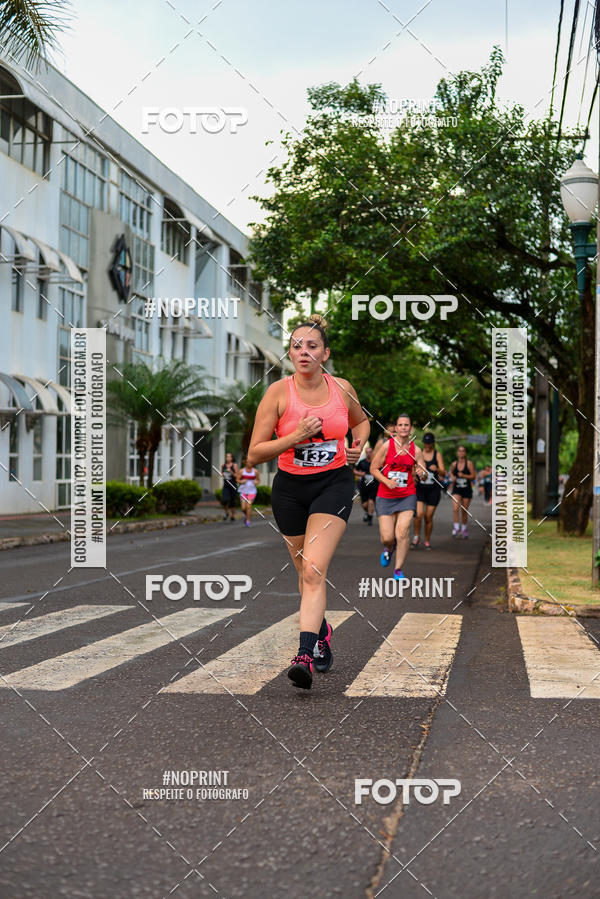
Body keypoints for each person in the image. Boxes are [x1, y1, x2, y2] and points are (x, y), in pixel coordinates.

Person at [247, 314, 370, 691]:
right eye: (297, 345)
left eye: (312, 345)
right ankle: (322, 630)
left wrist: (357, 445)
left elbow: (361, 422)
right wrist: (294, 436)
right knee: (304, 573)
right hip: (289, 490)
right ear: (290, 353)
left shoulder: (341, 388)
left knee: (314, 570)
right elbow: (254, 453)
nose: (304, 351)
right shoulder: (278, 393)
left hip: (332, 484)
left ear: (325, 354)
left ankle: (304, 655)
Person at [369, 413, 429, 580]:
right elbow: (373, 468)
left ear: (410, 428)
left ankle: (398, 569)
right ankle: (389, 548)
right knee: (387, 537)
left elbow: (424, 474)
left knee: (402, 532)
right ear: (396, 428)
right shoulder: (387, 446)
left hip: (407, 495)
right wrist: (386, 481)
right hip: (386, 495)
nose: (403, 427)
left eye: (406, 425)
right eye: (400, 425)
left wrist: (421, 473)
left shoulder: (416, 450)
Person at [412, 432, 446, 550]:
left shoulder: (437, 455)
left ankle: (427, 540)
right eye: (425, 443)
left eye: (429, 443)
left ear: (433, 443)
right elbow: (412, 469)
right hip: (420, 489)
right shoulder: (418, 453)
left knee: (428, 516)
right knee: (418, 514)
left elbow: (443, 472)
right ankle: (416, 537)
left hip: (433, 489)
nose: (427, 445)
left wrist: (437, 469)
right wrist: (414, 475)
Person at [449, 445, 477, 537]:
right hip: (457, 489)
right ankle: (456, 528)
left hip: (466, 489)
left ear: (465, 453)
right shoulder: (454, 464)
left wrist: (464, 476)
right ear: (457, 453)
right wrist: (453, 477)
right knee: (455, 509)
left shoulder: (469, 464)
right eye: (459, 451)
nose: (461, 452)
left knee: (464, 511)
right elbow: (451, 473)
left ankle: (464, 530)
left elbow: (473, 476)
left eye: (463, 451)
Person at [354, 446, 377, 525]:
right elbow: (354, 470)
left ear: (372, 453)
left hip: (374, 485)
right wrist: (360, 474)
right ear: (366, 453)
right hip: (364, 485)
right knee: (365, 505)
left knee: (371, 502)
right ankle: (368, 513)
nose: (369, 454)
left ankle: (370, 518)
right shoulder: (362, 462)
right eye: (367, 452)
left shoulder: (376, 462)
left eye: (370, 452)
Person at [237, 458, 260, 527]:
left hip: (252, 491)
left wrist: (256, 482)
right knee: (243, 508)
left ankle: (248, 521)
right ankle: (246, 515)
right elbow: (237, 479)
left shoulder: (255, 471)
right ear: (245, 463)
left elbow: (258, 480)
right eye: (247, 462)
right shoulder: (241, 471)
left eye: (250, 462)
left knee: (249, 506)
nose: (249, 464)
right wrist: (241, 482)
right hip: (243, 491)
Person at [221, 452, 238, 521]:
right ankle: (227, 512)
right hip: (226, 485)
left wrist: (231, 471)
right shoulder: (223, 465)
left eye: (229, 457)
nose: (227, 458)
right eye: (226, 457)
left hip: (233, 485)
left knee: (232, 501)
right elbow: (221, 473)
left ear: (232, 458)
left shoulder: (234, 465)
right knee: (224, 500)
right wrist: (223, 474)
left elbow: (237, 476)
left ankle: (233, 515)